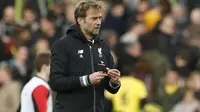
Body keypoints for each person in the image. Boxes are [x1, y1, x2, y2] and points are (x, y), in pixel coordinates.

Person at [50, 0, 121, 112]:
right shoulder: (62, 45)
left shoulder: (103, 46)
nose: (98, 22)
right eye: (93, 18)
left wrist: (114, 82)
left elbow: (111, 89)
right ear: (80, 20)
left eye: (100, 18)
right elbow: (55, 82)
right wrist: (86, 80)